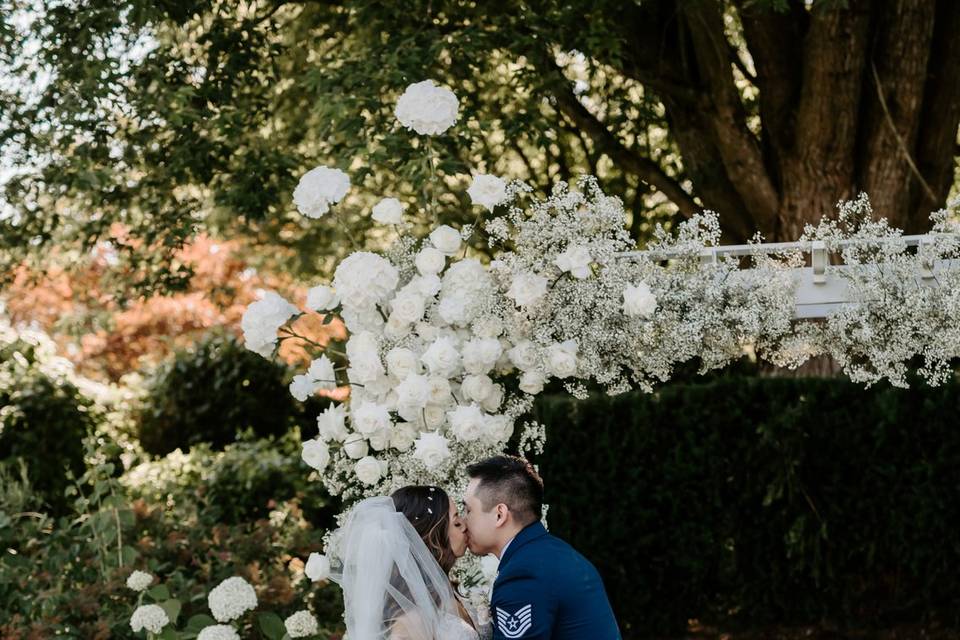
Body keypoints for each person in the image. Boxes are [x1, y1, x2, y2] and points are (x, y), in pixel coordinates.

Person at [463, 455, 620, 639]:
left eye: (468, 510)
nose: (463, 522)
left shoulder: (523, 575)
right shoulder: (555, 553)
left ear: (500, 515)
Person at [328, 486, 491, 640]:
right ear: (431, 536)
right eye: (456, 522)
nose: (464, 526)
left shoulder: (446, 590)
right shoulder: (411, 618)